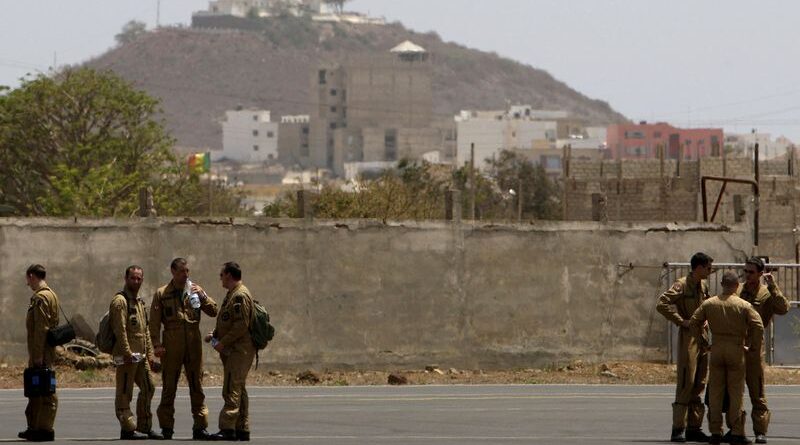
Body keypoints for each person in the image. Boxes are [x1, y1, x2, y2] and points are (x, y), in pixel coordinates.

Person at [689, 271, 763, 445]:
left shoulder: (709, 303)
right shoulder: (743, 305)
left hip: (717, 348)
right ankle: (737, 431)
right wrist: (752, 345)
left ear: (722, 284)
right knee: (736, 392)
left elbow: (693, 322)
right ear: (737, 286)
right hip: (736, 348)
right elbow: (758, 326)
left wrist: (703, 342)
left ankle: (715, 432)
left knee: (715, 391)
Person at [149, 258, 218, 440]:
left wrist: (203, 295)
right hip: (172, 343)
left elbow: (213, 311)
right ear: (173, 272)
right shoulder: (162, 293)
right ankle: (166, 428)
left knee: (197, 385)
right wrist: (156, 345)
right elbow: (154, 322)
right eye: (181, 271)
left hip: (193, 342)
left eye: (187, 271)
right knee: (169, 386)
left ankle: (200, 426)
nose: (185, 274)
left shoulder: (194, 290)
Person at [657, 252, 714, 442]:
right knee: (686, 381)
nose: (710, 271)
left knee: (699, 383)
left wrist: (706, 320)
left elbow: (706, 305)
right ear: (698, 267)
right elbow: (662, 303)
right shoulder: (681, 284)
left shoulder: (703, 285)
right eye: (708, 267)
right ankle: (678, 427)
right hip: (689, 336)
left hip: (702, 337)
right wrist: (682, 321)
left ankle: (694, 427)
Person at [733, 257, 789, 444]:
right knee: (734, 390)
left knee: (757, 390)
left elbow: (783, 308)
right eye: (745, 271)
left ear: (759, 273)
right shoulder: (737, 289)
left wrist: (774, 287)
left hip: (755, 345)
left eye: (751, 272)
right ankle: (736, 430)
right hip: (736, 342)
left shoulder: (766, 294)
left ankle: (760, 430)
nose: (747, 275)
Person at [110, 266, 162, 440]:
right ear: (126, 279)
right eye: (133, 278)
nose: (136, 281)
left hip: (140, 357)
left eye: (139, 278)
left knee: (149, 387)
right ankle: (127, 428)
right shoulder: (120, 301)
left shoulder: (139, 302)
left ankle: (144, 426)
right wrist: (126, 352)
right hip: (127, 357)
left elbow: (144, 330)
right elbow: (120, 330)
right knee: (125, 392)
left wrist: (149, 355)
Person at [206, 262, 256, 441]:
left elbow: (241, 325)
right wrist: (216, 335)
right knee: (238, 387)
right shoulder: (232, 295)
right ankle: (242, 428)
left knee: (230, 388)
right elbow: (229, 321)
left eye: (221, 275)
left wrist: (223, 342)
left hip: (239, 350)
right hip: (233, 349)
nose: (220, 278)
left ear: (228, 275)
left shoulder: (240, 295)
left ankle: (227, 428)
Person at [19, 264, 59, 442]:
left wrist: (37, 355)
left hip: (42, 352)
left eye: (28, 279)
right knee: (36, 390)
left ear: (32, 276)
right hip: (43, 351)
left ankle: (45, 429)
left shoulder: (41, 298)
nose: (27, 283)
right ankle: (34, 427)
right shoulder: (50, 295)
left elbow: (41, 329)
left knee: (45, 391)